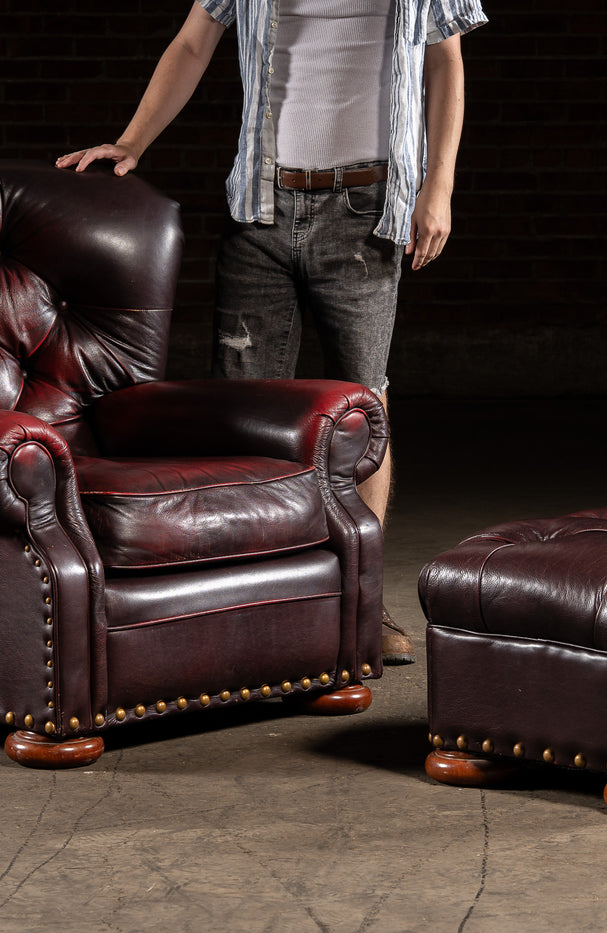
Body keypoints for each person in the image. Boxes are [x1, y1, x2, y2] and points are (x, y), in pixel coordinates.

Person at [58, 0, 486, 665]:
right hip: (260, 207)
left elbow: (445, 62)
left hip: (365, 211)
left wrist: (440, 187)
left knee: (363, 410)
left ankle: (359, 607)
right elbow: (194, 43)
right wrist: (133, 140)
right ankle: (254, 605)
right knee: (243, 415)